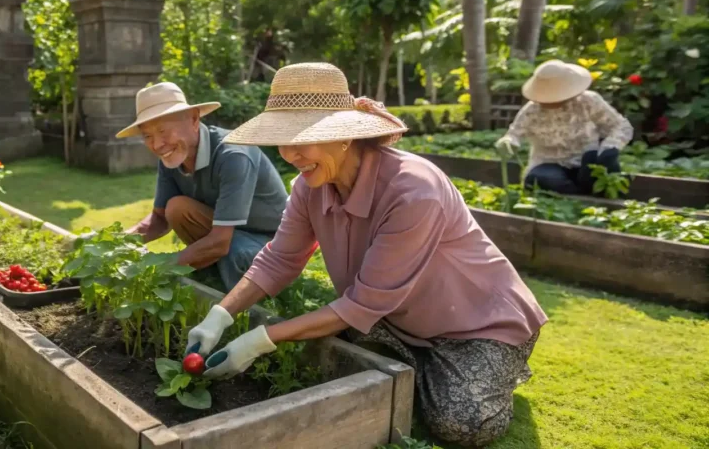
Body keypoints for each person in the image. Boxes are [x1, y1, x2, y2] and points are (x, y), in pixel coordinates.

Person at [184, 63, 547, 448]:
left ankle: (482, 370)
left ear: (342, 137)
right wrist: (219, 316)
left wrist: (258, 340)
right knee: (340, 361)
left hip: (479, 323)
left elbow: (361, 304)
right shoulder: (310, 185)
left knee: (463, 425)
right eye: (281, 140)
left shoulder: (413, 190)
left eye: (300, 139)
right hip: (392, 317)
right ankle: (427, 371)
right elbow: (280, 259)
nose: (289, 154)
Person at [116, 82, 289, 290]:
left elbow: (220, 241)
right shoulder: (172, 156)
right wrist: (114, 245)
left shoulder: (234, 155)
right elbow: (160, 219)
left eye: (163, 131)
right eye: (147, 136)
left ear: (194, 119)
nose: (157, 144)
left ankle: (232, 295)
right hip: (227, 230)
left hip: (273, 242)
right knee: (176, 207)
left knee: (236, 253)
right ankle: (209, 270)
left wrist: (161, 266)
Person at [495, 60, 633, 195]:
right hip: (549, 163)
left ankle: (586, 188)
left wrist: (611, 147)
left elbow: (620, 126)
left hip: (588, 160)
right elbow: (514, 133)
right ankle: (580, 194)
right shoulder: (532, 110)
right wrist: (508, 142)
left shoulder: (589, 101)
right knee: (538, 180)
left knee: (602, 172)